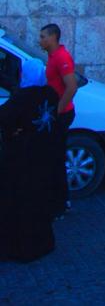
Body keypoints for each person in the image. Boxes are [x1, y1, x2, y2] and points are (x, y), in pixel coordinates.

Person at [0, 58, 60, 261]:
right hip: (43, 156)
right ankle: (40, 243)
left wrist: (17, 131)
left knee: (18, 202)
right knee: (38, 200)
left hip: (21, 159)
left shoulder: (23, 97)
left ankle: (20, 247)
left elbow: (4, 117)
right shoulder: (50, 95)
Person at [39, 24, 77, 216]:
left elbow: (72, 86)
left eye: (43, 36)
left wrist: (57, 111)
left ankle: (62, 202)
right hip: (57, 114)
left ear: (53, 37)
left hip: (62, 115)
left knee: (56, 157)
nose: (40, 40)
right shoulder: (52, 56)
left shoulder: (61, 57)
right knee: (53, 157)